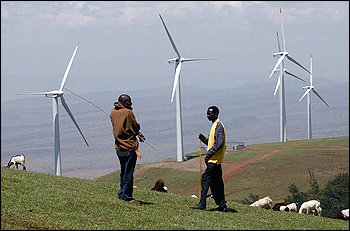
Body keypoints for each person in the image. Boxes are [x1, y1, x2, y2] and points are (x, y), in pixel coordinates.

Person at [190, 106, 227, 212]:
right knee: (217, 183)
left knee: (206, 179)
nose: (208, 116)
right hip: (215, 161)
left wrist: (208, 155)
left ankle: (202, 204)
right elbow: (212, 143)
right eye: (207, 113)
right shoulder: (214, 125)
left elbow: (219, 144)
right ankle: (222, 205)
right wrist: (204, 140)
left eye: (209, 113)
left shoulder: (218, 126)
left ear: (215, 114)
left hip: (214, 161)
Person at [110, 94, 145, 205]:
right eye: (129, 102)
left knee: (123, 171)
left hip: (119, 147)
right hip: (129, 146)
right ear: (125, 102)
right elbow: (135, 126)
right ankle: (127, 196)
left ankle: (122, 193)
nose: (131, 104)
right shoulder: (128, 113)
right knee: (129, 173)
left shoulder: (113, 112)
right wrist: (137, 132)